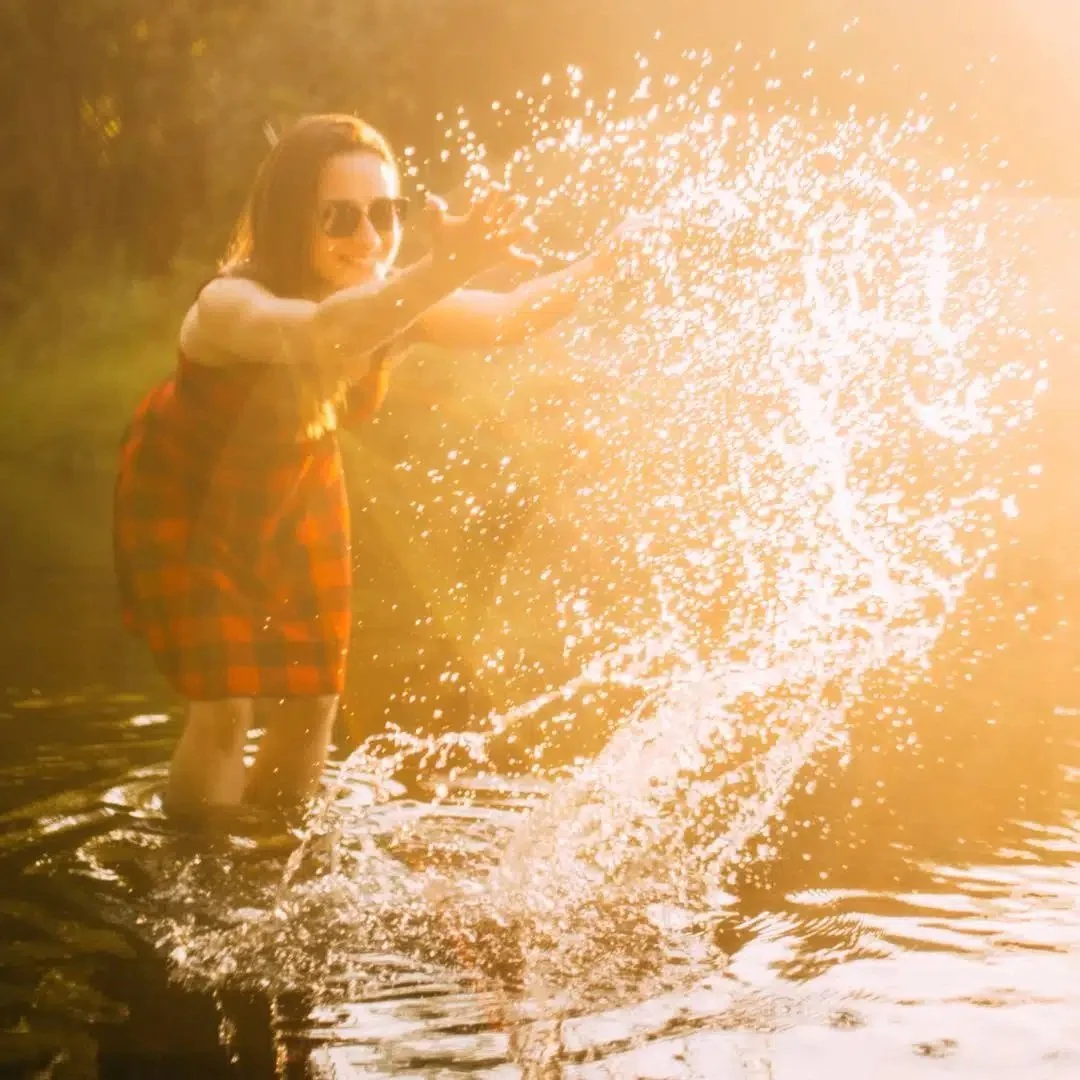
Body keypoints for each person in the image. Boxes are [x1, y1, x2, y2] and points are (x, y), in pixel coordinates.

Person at [113, 113, 634, 816]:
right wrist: (443, 266)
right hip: (190, 496)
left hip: (296, 488)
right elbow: (328, 333)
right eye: (339, 217)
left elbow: (510, 314)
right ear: (289, 220)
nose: (368, 239)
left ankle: (274, 854)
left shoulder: (392, 303)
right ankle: (201, 876)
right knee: (226, 707)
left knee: (315, 697)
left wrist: (614, 259)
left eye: (387, 213)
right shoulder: (227, 304)